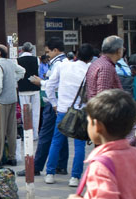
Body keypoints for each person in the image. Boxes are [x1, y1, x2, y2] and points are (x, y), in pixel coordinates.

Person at [45, 43, 93, 186]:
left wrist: (54, 103)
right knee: (79, 145)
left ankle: (50, 173)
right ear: (91, 58)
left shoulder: (62, 66)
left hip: (62, 109)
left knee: (56, 142)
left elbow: (50, 85)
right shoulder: (89, 69)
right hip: (81, 111)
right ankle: (75, 177)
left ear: (76, 54)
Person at [33, 41, 69, 177]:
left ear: (55, 50)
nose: (47, 55)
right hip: (62, 102)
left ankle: (36, 166)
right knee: (61, 134)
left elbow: (53, 84)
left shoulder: (58, 64)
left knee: (45, 135)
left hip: (53, 102)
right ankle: (61, 165)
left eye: (48, 52)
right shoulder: (65, 62)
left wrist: (40, 82)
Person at [0, 44, 26, 166]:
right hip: (13, 99)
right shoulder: (10, 63)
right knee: (12, 130)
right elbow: (22, 71)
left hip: (2, 101)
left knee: (0, 130)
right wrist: (13, 80)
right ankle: (12, 157)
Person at [84, 36, 124, 102]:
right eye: (122, 48)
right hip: (103, 110)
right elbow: (102, 98)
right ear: (119, 51)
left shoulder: (98, 63)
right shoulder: (106, 67)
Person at [16, 42, 42, 140]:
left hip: (23, 89)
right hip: (35, 88)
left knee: (25, 112)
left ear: (22, 49)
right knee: (35, 112)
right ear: (31, 50)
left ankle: (27, 134)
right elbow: (38, 72)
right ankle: (35, 134)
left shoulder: (18, 60)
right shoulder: (36, 59)